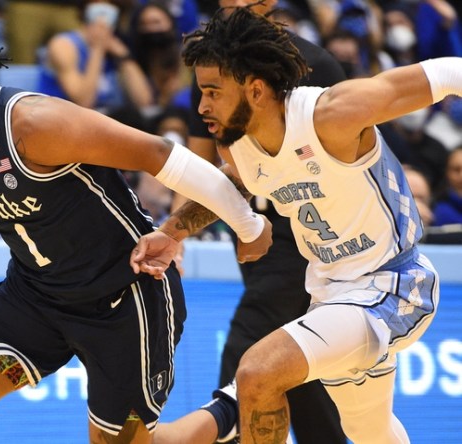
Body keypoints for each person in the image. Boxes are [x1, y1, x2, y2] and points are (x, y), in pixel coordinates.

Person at [0, 1, 273, 442]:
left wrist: (248, 223)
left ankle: (228, 412)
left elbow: (161, 155)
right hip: (34, 298)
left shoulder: (36, 124)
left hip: (123, 296)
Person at [133, 7, 454, 443]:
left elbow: (449, 71)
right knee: (367, 429)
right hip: (329, 294)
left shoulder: (332, 115)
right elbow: (233, 184)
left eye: (212, 92)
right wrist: (173, 232)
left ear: (257, 90)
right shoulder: (241, 145)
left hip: (393, 283)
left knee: (259, 371)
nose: (202, 105)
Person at [171, 1, 348, 441]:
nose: (207, 102)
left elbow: (353, 149)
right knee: (305, 374)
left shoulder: (315, 63)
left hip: (310, 231)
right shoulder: (208, 60)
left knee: (247, 360)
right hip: (254, 231)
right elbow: (199, 166)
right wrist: (176, 234)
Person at [37, 0, 153, 113]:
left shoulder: (118, 45)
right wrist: (97, 50)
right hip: (70, 119)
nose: (104, 8)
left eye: (111, 4)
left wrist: (123, 56)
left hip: (115, 118)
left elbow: (144, 103)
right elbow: (84, 102)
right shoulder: (63, 44)